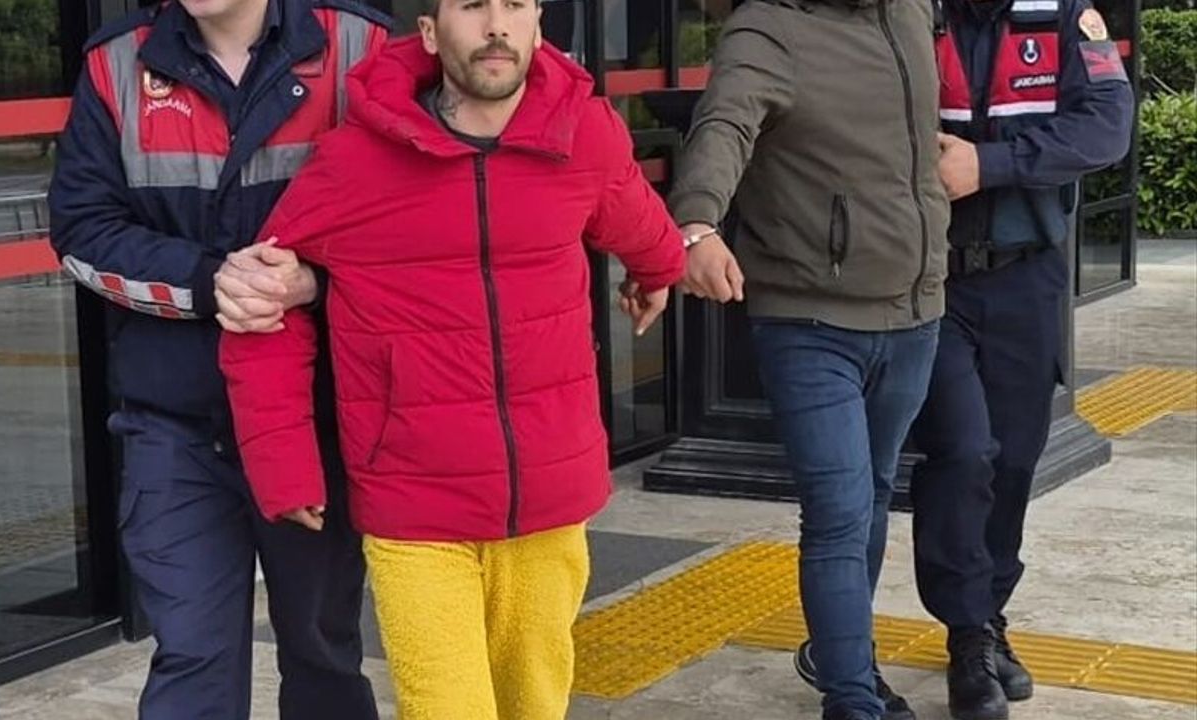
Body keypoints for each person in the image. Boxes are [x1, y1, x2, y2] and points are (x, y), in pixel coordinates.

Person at [217, 0, 686, 717]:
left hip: (550, 495)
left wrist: (659, 271)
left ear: (537, 26)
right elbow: (262, 307)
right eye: (472, 6)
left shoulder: (583, 133)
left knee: (535, 703)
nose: (496, 24)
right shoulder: (355, 161)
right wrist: (284, 465)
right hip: (414, 504)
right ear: (431, 34)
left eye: (515, 5)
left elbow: (637, 218)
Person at [46, 0, 388, 717]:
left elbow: (417, 214)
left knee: (323, 653)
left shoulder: (360, 44)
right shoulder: (116, 63)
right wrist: (210, 282)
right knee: (192, 657)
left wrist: (316, 282)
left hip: (316, 423)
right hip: (175, 429)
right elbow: (82, 230)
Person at [666, 0, 951, 718]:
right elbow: (723, 126)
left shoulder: (911, 11)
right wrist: (696, 223)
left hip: (915, 312)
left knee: (873, 494)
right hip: (808, 318)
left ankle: (844, 654)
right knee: (838, 511)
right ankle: (851, 696)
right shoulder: (768, 25)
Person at [909, 0, 1133, 716]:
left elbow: (1107, 126)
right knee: (963, 452)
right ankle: (968, 635)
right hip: (930, 280)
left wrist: (990, 164)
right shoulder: (909, 13)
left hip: (1025, 278)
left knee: (1012, 460)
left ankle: (988, 616)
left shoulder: (1065, 14)